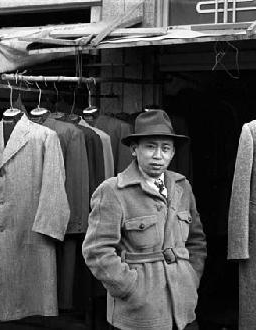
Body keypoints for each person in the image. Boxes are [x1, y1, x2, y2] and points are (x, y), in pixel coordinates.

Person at [82, 109, 207, 330]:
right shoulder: (113, 190)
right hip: (139, 313)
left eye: (165, 148)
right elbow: (96, 251)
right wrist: (130, 289)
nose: (158, 155)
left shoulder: (182, 187)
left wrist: (190, 277)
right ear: (134, 149)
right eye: (150, 146)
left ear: (173, 153)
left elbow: (196, 241)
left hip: (183, 308)